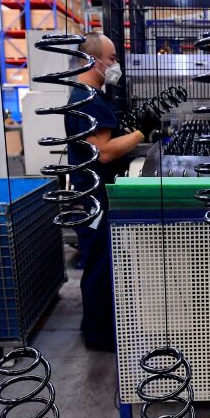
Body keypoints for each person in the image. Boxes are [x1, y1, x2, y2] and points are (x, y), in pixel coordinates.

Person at [66, 32, 160, 350]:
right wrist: (141, 133)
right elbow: (104, 152)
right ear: (93, 60)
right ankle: (100, 335)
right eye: (112, 58)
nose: (116, 65)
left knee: (100, 263)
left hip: (95, 193)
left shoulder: (92, 96)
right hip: (94, 197)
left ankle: (93, 324)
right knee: (100, 266)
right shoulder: (87, 100)